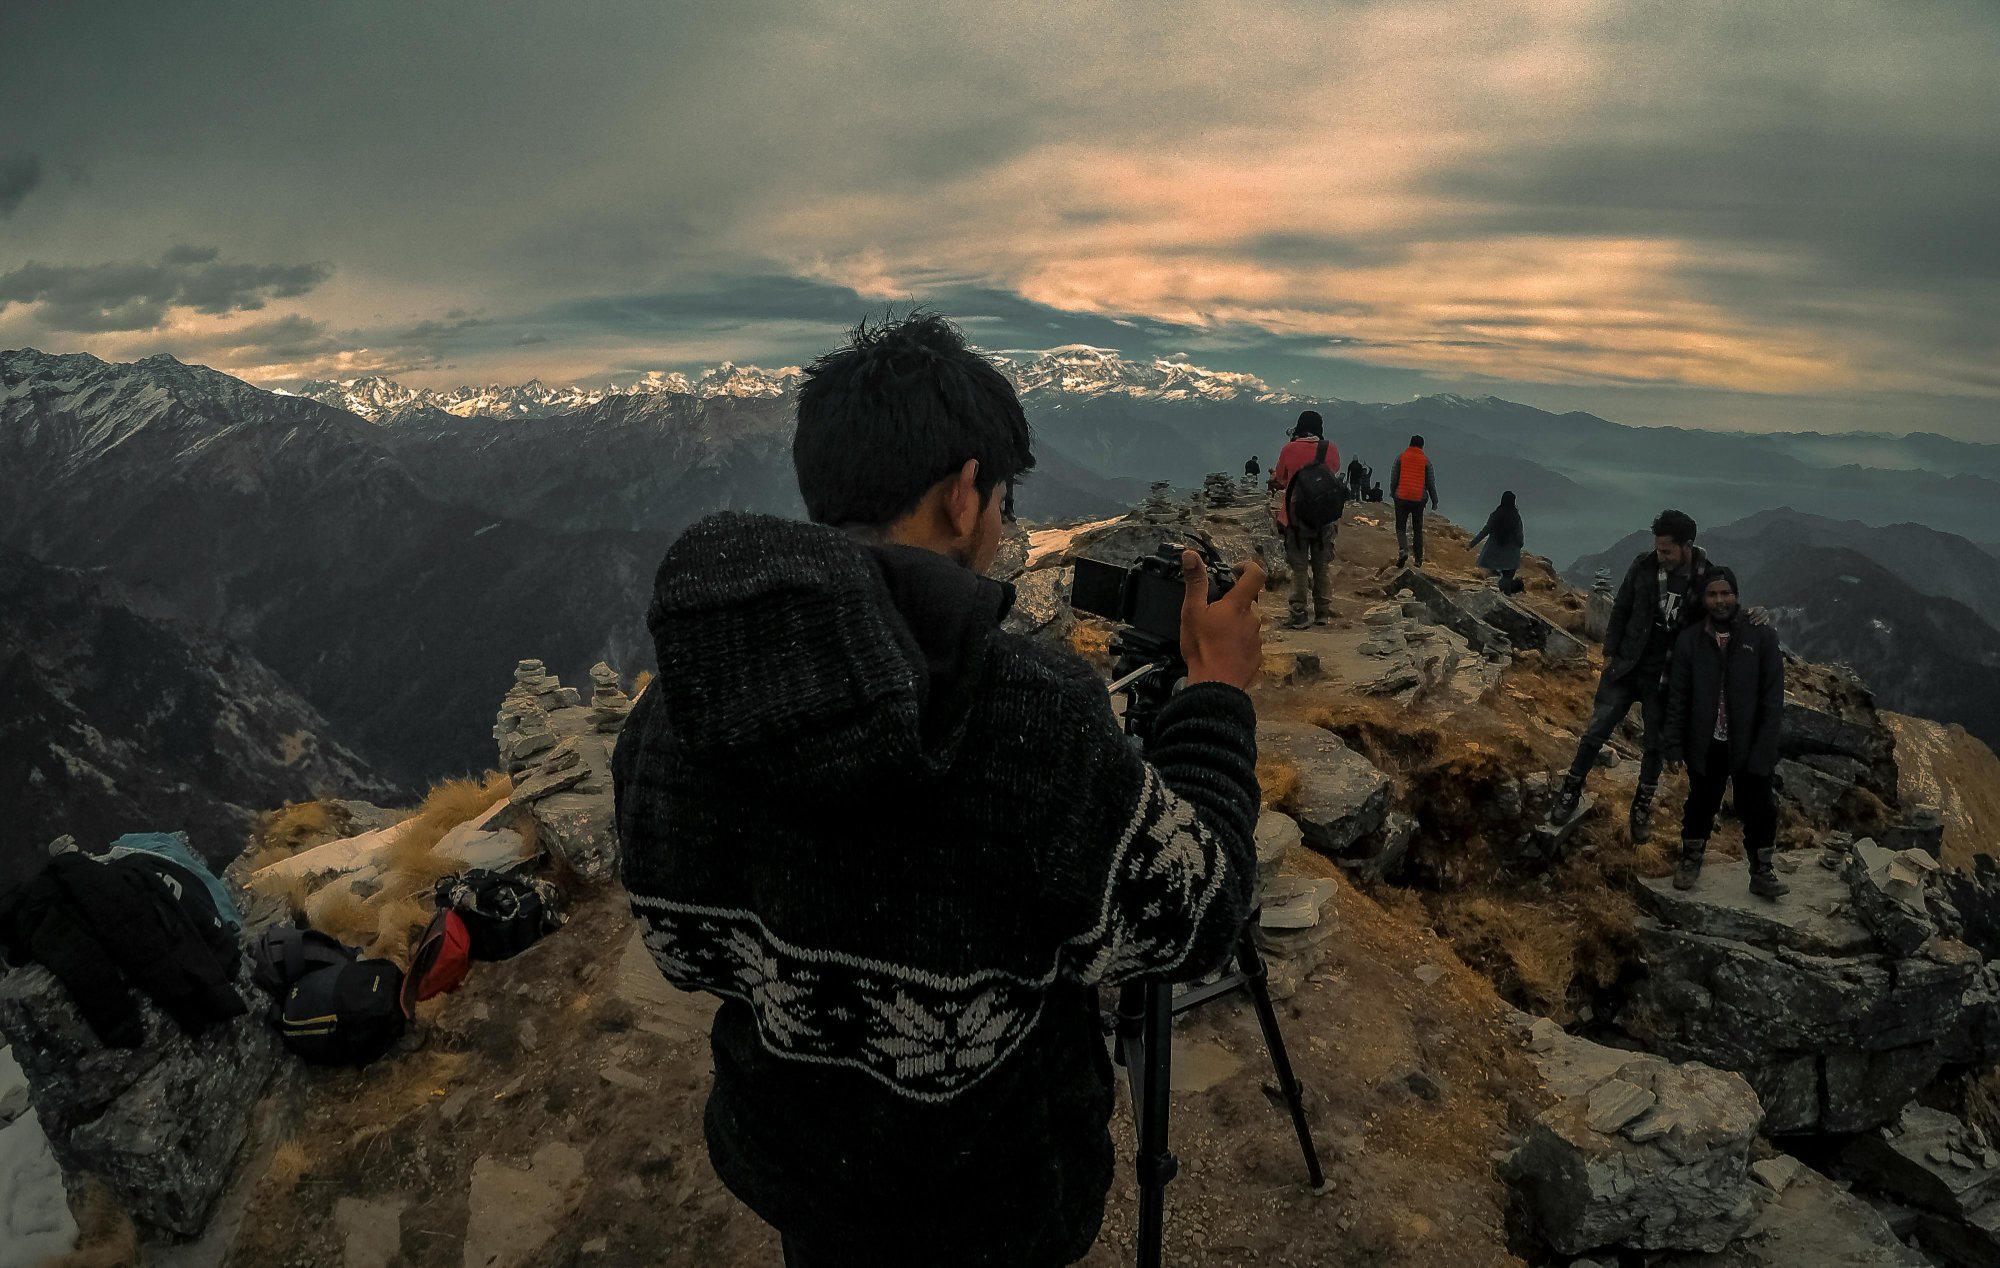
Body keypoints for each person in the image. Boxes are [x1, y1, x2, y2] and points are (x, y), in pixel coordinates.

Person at [612, 311, 1267, 1268]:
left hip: (800, 1174)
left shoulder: (676, 706)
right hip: (990, 1206)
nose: (1001, 522)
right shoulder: (1029, 717)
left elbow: (684, 948)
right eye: (1001, 496)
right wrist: (1213, 700)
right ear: (964, 495)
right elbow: (1196, 914)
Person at [1548, 509, 1715, 843]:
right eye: (1658, 548)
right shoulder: (1644, 566)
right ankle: (1570, 791)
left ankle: (1641, 808)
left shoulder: (1707, 579)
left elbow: (1719, 620)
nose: (1661, 555)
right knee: (1595, 732)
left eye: (1667, 550)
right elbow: (1621, 607)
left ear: (1687, 546)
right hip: (1625, 667)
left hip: (1665, 678)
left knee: (1654, 746)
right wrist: (1609, 655)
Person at [1662, 567, 1788, 899]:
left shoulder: (1760, 636)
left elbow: (1773, 699)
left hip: (1749, 741)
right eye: (1713, 594)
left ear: (1736, 595)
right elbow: (1679, 698)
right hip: (1706, 742)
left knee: (1760, 807)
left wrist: (1765, 748)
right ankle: (1690, 859)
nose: (1720, 600)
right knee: (1701, 803)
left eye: (1726, 593)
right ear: (1703, 599)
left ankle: (1762, 871)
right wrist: (1673, 745)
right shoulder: (1691, 640)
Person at [1268, 409, 1341, 629]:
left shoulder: (1289, 449)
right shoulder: (1330, 448)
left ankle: (1299, 613)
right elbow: (1333, 472)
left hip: (1295, 518)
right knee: (1321, 566)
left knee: (1299, 567)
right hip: (1323, 517)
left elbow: (1280, 479)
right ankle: (1323, 613)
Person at [1389, 435, 1438, 568]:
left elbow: (1394, 477)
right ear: (1422, 446)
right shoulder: (1426, 461)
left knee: (1400, 527)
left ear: (1410, 444)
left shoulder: (1401, 457)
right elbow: (1430, 483)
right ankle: (1418, 559)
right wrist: (1435, 500)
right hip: (1418, 499)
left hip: (1402, 497)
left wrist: (1393, 492)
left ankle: (1403, 550)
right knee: (1417, 529)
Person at [1468, 491, 1525, 592]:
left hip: (1494, 553)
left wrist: (1471, 544)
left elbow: (1485, 531)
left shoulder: (1495, 515)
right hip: (1511, 555)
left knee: (1495, 573)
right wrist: (1520, 544)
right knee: (1508, 577)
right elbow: (1519, 534)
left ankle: (1503, 593)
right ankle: (1504, 593)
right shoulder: (1516, 516)